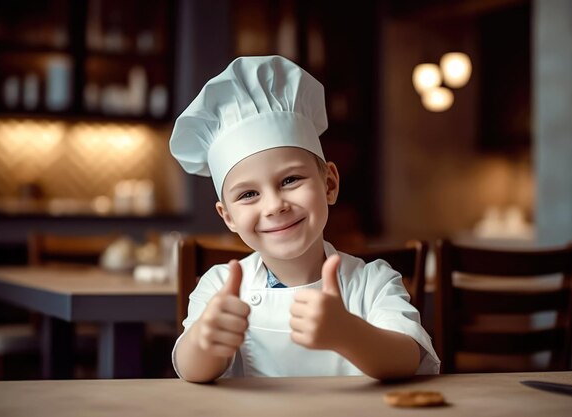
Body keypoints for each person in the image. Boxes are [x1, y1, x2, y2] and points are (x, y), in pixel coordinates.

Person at [169, 55, 440, 382]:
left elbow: (408, 358)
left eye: (290, 180)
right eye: (248, 194)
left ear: (329, 183)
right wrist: (205, 340)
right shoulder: (219, 287)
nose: (274, 206)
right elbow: (191, 370)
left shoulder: (373, 282)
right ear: (228, 217)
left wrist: (348, 333)